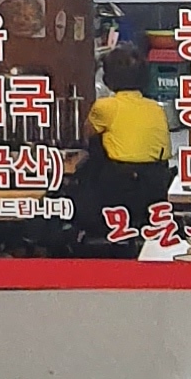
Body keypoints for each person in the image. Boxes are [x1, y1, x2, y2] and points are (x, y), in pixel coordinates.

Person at [68, 44, 174, 251]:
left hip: (115, 190)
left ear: (108, 78)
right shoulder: (156, 108)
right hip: (155, 189)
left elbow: (84, 134)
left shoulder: (105, 106)